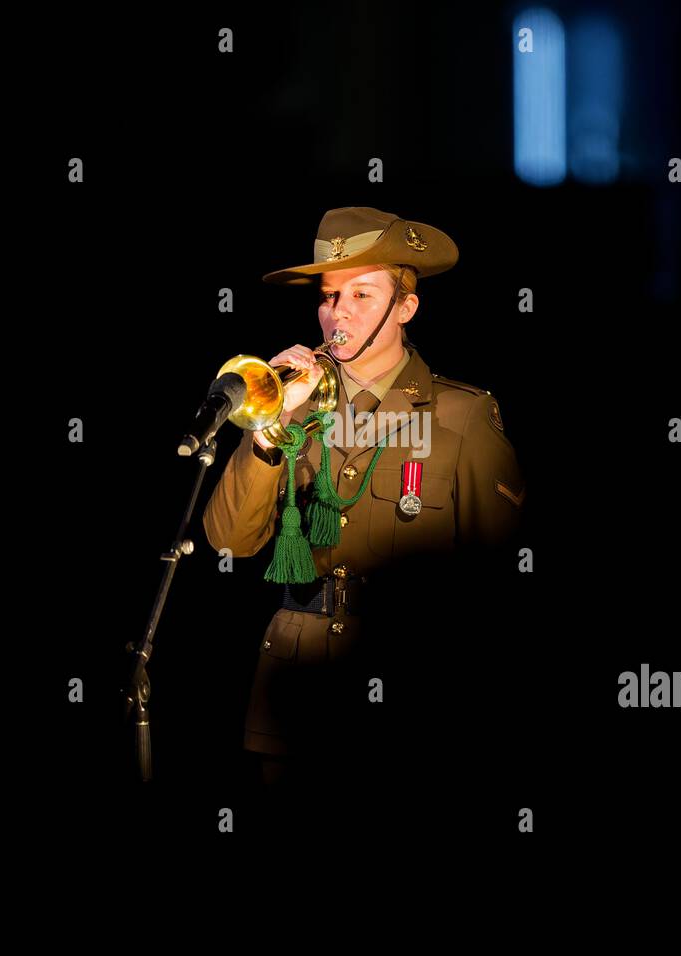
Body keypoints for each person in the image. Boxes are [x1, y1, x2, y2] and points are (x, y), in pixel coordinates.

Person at [202, 206, 525, 800]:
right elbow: (229, 541)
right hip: (294, 683)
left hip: (409, 681)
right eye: (328, 296)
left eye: (361, 294)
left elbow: (498, 580)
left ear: (406, 308)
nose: (338, 312)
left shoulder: (461, 415)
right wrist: (267, 429)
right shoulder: (291, 410)